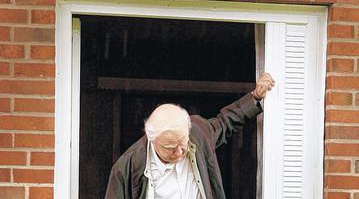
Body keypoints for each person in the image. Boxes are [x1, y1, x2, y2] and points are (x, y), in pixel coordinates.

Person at [105, 73, 275, 199]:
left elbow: (225, 122)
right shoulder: (125, 167)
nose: (180, 152)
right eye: (171, 147)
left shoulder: (198, 133)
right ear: (152, 139)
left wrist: (255, 97)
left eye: (183, 143)